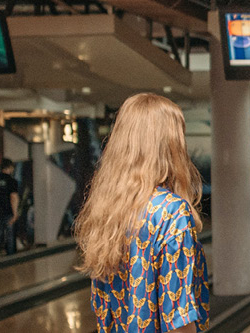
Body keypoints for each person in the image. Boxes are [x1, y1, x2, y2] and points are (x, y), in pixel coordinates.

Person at [75, 93, 209, 333]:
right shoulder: (171, 211)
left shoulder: (107, 211)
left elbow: (102, 308)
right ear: (170, 145)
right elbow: (179, 317)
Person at [0, 158, 20, 256]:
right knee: (10, 237)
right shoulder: (11, 181)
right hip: (8, 212)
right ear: (10, 167)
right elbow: (13, 197)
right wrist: (15, 213)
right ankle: (11, 258)